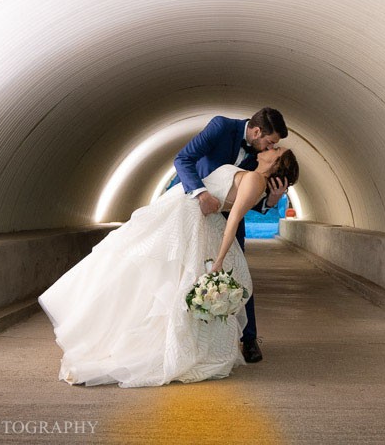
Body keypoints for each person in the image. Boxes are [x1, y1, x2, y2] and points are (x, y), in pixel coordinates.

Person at [38, 146, 300, 387]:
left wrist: (219, 261)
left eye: (276, 149)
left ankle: (135, 338)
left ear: (276, 162)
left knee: (146, 269)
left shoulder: (255, 180)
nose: (271, 147)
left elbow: (232, 221)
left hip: (187, 218)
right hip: (190, 214)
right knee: (156, 276)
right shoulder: (253, 175)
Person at [169, 108, 290, 363]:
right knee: (184, 270)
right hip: (193, 203)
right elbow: (183, 159)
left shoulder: (261, 160)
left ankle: (248, 339)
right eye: (270, 142)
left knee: (238, 273)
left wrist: (272, 199)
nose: (271, 148)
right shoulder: (221, 127)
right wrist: (201, 194)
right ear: (257, 132)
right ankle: (179, 334)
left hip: (227, 215)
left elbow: (249, 199)